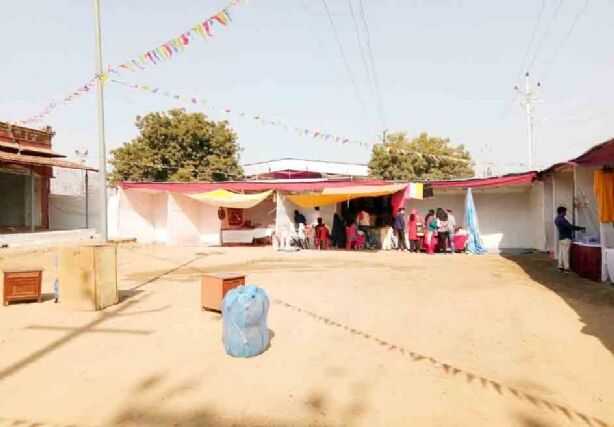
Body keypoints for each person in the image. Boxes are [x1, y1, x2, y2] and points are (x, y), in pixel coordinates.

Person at [554, 206, 585, 272]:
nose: (566, 213)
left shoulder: (556, 219)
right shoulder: (562, 219)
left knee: (561, 253)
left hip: (561, 237)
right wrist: (580, 228)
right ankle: (566, 268)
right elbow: (570, 227)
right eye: (565, 211)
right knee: (565, 253)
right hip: (566, 237)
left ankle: (560, 266)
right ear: (562, 212)